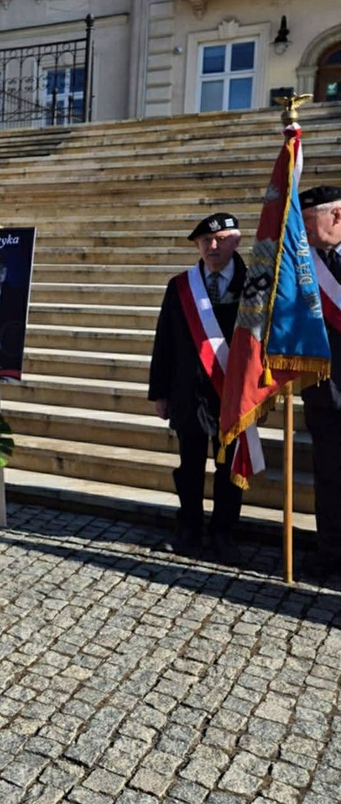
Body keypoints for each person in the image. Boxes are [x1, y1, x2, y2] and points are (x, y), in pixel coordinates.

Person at [148, 210, 245, 563]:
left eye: (220, 239)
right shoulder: (181, 286)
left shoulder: (256, 285)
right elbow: (165, 342)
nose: (212, 246)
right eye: (205, 241)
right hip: (188, 394)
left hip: (233, 397)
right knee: (188, 466)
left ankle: (223, 534)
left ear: (237, 240)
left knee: (229, 469)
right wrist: (160, 392)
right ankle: (187, 528)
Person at [299, 185, 341, 585]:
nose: (305, 231)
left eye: (309, 222)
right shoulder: (303, 265)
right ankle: (329, 552)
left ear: (337, 216)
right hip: (323, 393)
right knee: (328, 478)